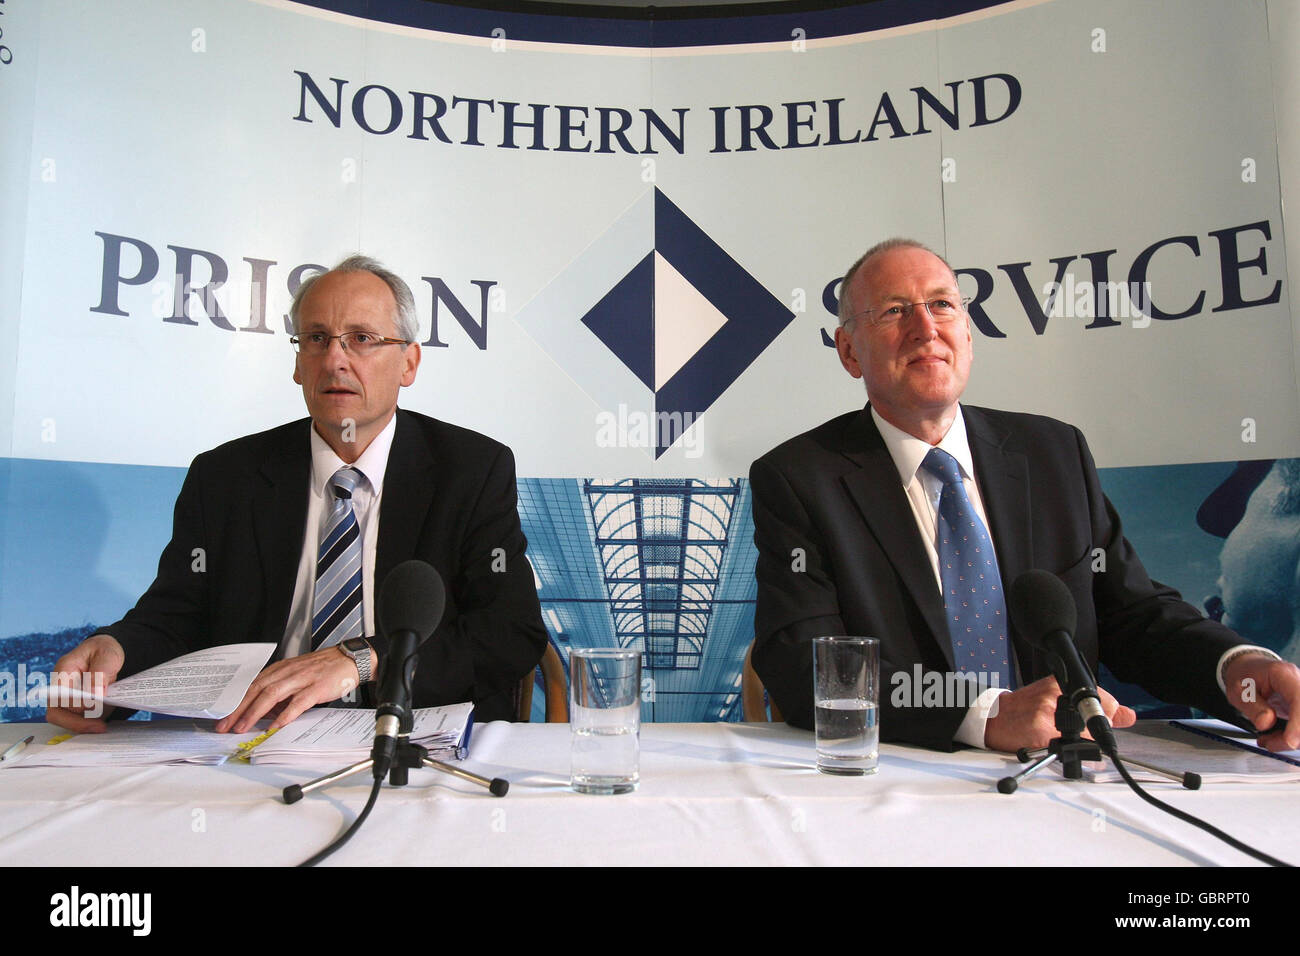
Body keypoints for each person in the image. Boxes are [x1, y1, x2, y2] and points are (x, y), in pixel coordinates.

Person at [751, 238, 1300, 753]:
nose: (925, 328)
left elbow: (1131, 614)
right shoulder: (800, 479)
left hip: (1068, 771)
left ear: (966, 333)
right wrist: (986, 716)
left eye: (942, 304)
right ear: (849, 351)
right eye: (893, 311)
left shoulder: (1052, 453)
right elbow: (807, 663)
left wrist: (1235, 668)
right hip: (909, 776)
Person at [48, 256, 546, 733]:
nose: (335, 359)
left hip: (412, 735)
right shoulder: (226, 477)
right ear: (297, 364)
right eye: (316, 339)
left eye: (362, 339)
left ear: (408, 364)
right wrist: (117, 652)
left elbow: (508, 631)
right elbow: (176, 617)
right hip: (254, 736)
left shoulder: (471, 469)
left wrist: (362, 662)